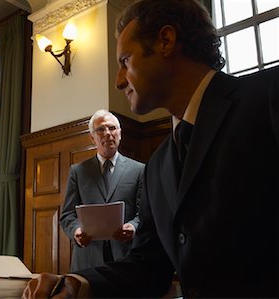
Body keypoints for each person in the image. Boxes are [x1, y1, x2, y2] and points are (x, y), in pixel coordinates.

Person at [23, 0, 278, 298]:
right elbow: (148, 266)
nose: (119, 81)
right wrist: (78, 283)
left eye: (125, 61)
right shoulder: (157, 166)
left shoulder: (270, 97)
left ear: (165, 41)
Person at [60, 109, 144, 272]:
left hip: (126, 258)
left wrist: (132, 227)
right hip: (87, 259)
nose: (107, 133)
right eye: (101, 129)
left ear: (120, 133)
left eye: (112, 128)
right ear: (92, 137)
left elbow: (144, 213)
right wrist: (76, 231)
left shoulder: (139, 170)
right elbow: (67, 215)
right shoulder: (78, 171)